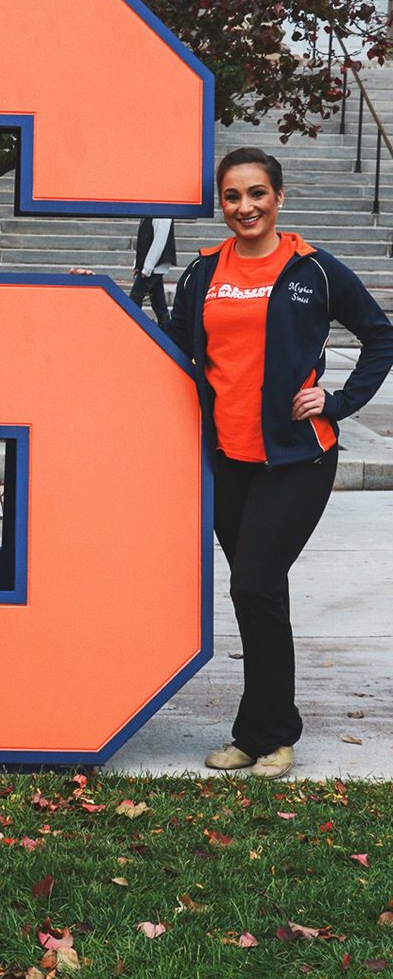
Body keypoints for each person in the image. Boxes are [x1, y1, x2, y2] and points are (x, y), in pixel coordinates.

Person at [167, 146, 393, 779]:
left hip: (297, 458)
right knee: (259, 595)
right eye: (233, 196)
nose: (246, 206)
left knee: (253, 586)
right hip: (228, 459)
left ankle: (269, 735)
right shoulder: (203, 271)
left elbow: (381, 335)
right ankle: (262, 731)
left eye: (257, 193)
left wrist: (338, 401)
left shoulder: (313, 269)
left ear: (279, 197)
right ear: (222, 203)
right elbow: (173, 347)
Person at [129, 216, 175, 329]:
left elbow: (159, 242)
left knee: (135, 298)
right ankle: (167, 330)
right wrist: (137, 264)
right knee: (158, 302)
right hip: (150, 266)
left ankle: (134, 328)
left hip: (154, 266)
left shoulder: (164, 213)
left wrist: (147, 268)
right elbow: (143, 239)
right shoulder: (150, 212)